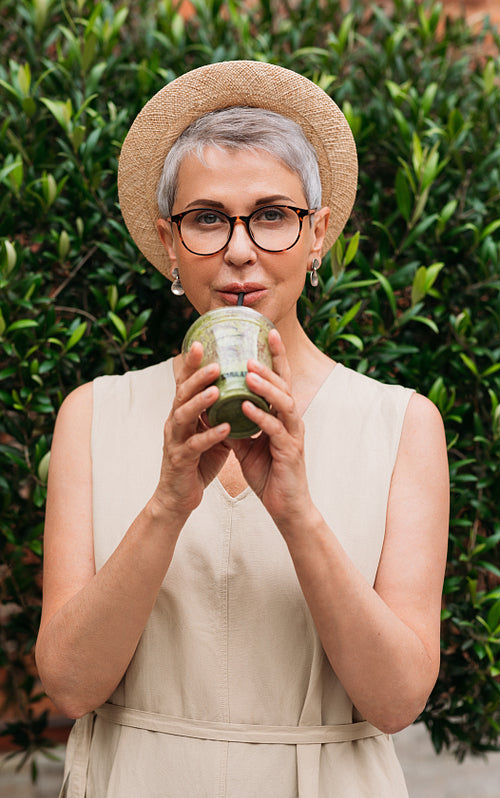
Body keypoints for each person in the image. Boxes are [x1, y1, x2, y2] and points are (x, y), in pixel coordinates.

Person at [35, 60, 449, 798]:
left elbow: (396, 700)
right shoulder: (93, 415)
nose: (238, 249)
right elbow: (69, 687)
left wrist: (296, 511)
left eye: (271, 214)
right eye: (206, 218)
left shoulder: (400, 424)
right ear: (169, 241)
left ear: (317, 233)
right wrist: (167, 501)